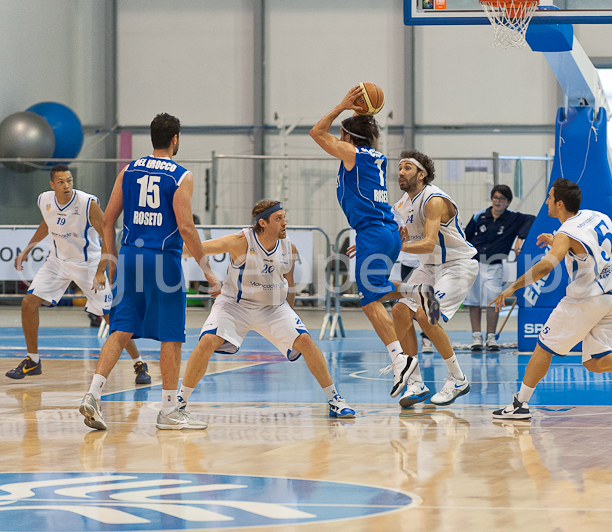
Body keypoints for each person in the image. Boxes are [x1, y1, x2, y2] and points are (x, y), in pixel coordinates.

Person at [80, 113, 220, 431]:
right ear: (175, 139)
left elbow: (108, 220)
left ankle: (93, 394)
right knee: (171, 334)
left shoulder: (128, 169)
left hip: (129, 255)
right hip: (162, 260)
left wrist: (111, 260)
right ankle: (169, 410)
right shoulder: (181, 176)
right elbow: (185, 226)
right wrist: (208, 270)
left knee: (121, 328)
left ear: (152, 137)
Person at [491, 178, 612, 420]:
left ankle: (520, 404)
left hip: (586, 300)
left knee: (543, 347)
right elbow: (588, 246)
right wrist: (562, 244)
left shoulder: (565, 233)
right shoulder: (597, 216)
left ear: (560, 204)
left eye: (549, 198)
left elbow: (544, 268)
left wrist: (512, 288)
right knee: (594, 360)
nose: (546, 201)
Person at [310, 86, 440, 398]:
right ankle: (415, 292)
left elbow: (316, 132)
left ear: (345, 137)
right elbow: (362, 138)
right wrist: (363, 114)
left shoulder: (353, 153)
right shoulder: (375, 155)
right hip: (384, 232)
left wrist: (342, 106)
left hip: (374, 232)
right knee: (376, 291)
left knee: (369, 300)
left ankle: (400, 362)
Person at [177, 200, 355, 422]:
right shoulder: (240, 241)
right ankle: (179, 402)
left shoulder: (288, 247)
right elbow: (193, 249)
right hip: (235, 305)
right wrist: (208, 275)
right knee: (206, 342)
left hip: (273, 308)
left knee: (306, 342)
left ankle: (335, 400)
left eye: (284, 217)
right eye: (278, 218)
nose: (284, 222)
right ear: (263, 222)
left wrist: (290, 316)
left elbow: (289, 284)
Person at [8, 164, 148, 384]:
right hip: (57, 262)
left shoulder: (86, 203)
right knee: (28, 303)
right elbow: (47, 223)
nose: (67, 185)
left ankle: (139, 363)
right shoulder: (44, 199)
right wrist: (27, 249)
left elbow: (107, 234)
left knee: (112, 318)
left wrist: (101, 270)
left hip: (88, 263)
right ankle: (32, 360)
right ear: (52, 185)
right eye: (62, 182)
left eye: (70, 180)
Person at [391, 150, 479, 408]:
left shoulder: (434, 200)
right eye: (399, 168)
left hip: (456, 266)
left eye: (407, 168)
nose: (401, 172)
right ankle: (416, 383)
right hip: (429, 268)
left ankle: (458, 378)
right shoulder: (402, 204)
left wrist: (395, 246)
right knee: (398, 310)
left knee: (426, 314)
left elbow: (429, 243)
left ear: (422, 174)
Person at [464, 184, 534, 351]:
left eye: (502, 199)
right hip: (474, 263)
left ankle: (490, 337)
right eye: (495, 198)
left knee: (493, 302)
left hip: (494, 266)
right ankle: (476, 336)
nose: (498, 201)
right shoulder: (479, 216)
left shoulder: (513, 219)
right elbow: (465, 237)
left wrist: (520, 238)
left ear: (508, 202)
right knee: (473, 301)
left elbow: (532, 219)